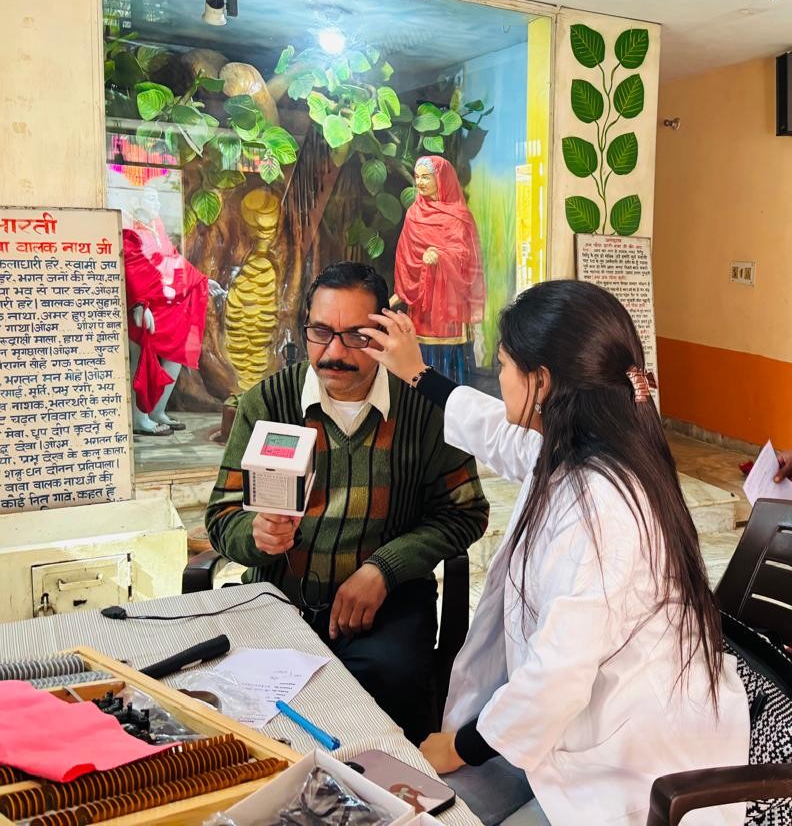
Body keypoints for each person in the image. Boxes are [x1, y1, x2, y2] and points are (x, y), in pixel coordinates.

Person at [359, 280, 750, 825]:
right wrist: (417, 374)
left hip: (622, 766)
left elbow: (556, 678)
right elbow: (496, 430)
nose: (497, 380)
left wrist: (462, 747)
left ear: (540, 382)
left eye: (502, 366)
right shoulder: (577, 446)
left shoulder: (604, 509)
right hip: (569, 730)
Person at [205, 261, 489, 745]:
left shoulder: (424, 408)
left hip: (389, 607)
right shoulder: (268, 403)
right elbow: (223, 513)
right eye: (320, 332)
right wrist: (253, 535)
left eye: (356, 335)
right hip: (280, 601)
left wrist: (385, 568)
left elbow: (465, 511)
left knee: (385, 711)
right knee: (252, 722)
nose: (333, 353)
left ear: (384, 333)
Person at [122, 185, 209, 435]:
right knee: (141, 362)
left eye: (158, 199)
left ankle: (158, 410)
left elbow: (171, 258)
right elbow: (132, 269)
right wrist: (138, 303)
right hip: (142, 306)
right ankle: (140, 419)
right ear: (137, 201)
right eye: (152, 198)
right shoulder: (129, 228)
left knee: (176, 356)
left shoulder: (155, 224)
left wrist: (200, 280)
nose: (158, 204)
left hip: (163, 303)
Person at [393, 156, 485, 384]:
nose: (420, 183)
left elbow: (469, 260)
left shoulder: (460, 217)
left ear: (441, 179)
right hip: (422, 311)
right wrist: (423, 261)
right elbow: (405, 261)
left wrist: (440, 256)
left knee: (453, 380)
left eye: (426, 177)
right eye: (417, 177)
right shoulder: (413, 215)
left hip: (451, 313)